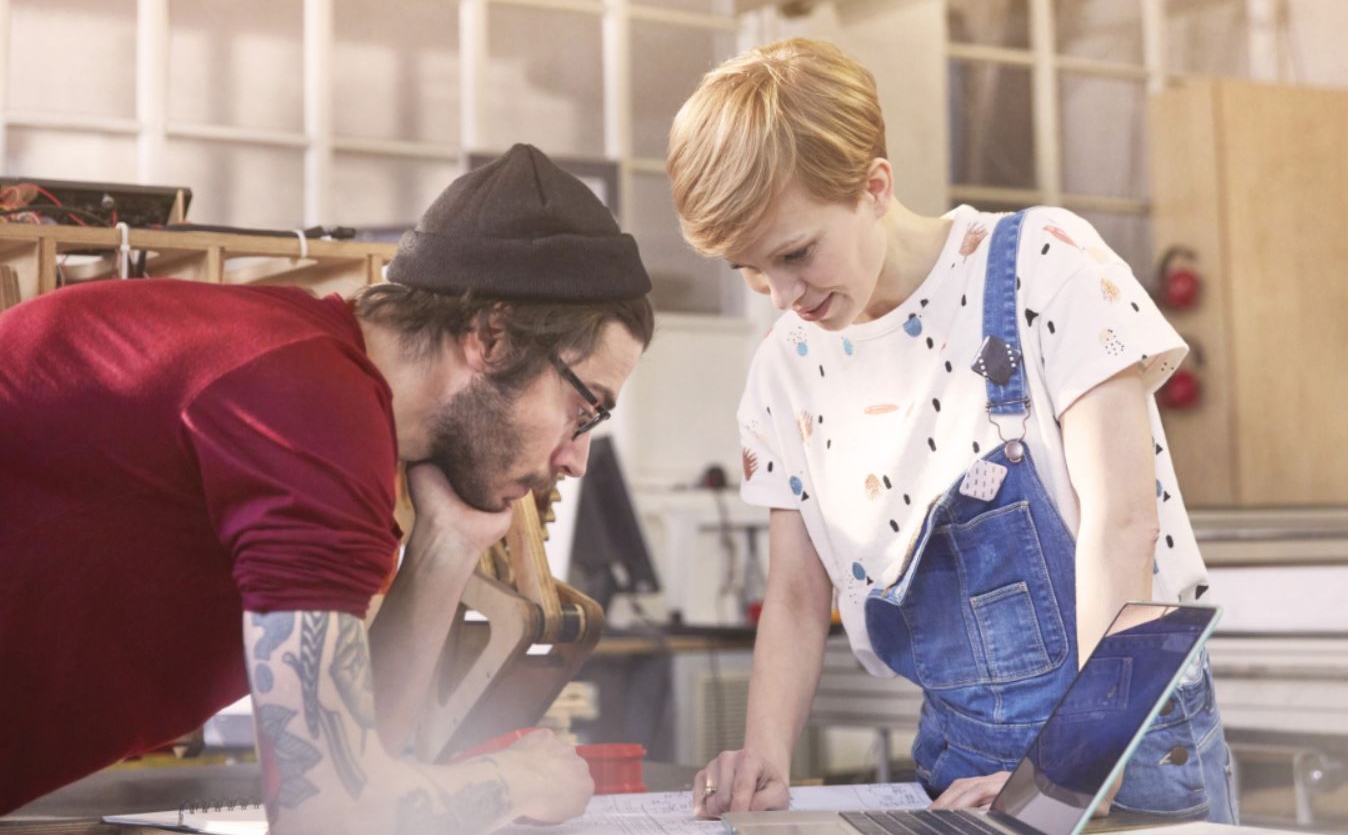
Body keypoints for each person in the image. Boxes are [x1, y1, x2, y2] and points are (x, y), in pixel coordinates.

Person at [0, 144, 654, 833]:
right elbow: (326, 817)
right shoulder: (310, 411)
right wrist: (509, 782)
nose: (577, 458)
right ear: (491, 335)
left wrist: (447, 543)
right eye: (584, 409)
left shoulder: (326, 394)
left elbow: (360, 758)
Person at [667, 40, 1235, 823]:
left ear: (875, 187)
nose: (783, 294)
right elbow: (798, 596)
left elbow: (1124, 523)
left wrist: (1066, 781)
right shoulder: (784, 370)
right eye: (752, 269)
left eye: (797, 251)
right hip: (960, 762)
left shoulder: (1043, 266)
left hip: (1122, 742)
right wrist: (763, 757)